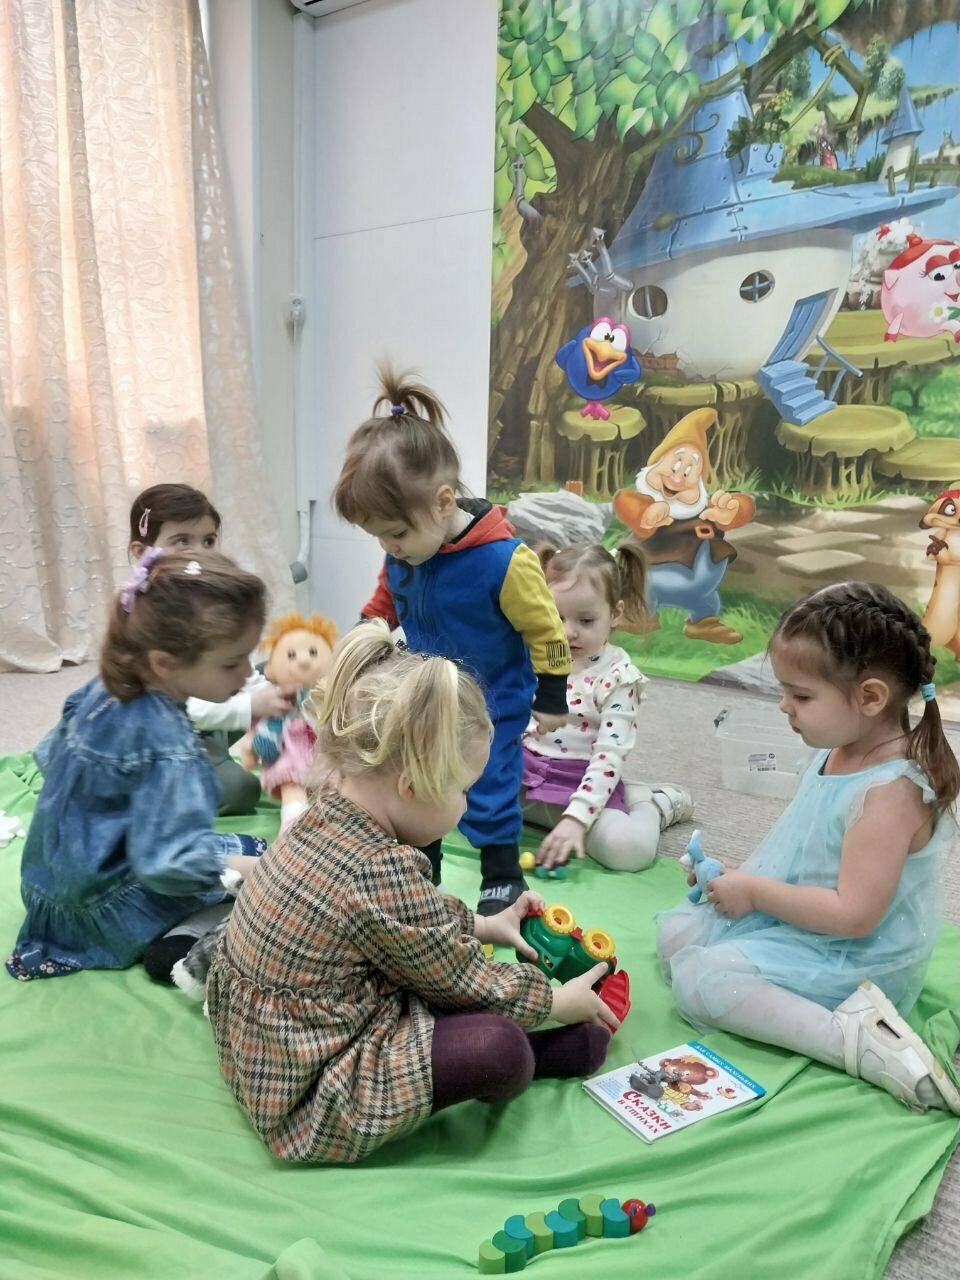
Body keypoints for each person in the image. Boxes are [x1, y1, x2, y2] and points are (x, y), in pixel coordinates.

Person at [206, 621, 616, 1164]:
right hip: (311, 1088)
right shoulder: (379, 868)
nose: (465, 806)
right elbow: (465, 979)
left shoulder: (324, 815)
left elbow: (404, 922)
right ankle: (539, 1054)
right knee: (500, 1050)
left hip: (258, 1044)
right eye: (463, 790)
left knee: (430, 984)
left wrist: (484, 925)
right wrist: (557, 1002)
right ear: (413, 785)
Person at [657, 582, 960, 1115]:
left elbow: (855, 916)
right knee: (675, 936)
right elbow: (804, 850)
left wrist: (755, 893)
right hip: (806, 919)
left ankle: (852, 1039)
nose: (783, 706)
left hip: (855, 956)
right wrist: (737, 876)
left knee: (700, 980)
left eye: (800, 696)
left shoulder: (888, 792)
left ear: (870, 698)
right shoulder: (835, 750)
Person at [333, 369, 570, 914]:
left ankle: (502, 874)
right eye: (379, 537)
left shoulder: (506, 561)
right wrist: (362, 640)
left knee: (488, 781)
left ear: (444, 503)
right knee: (417, 776)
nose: (390, 547)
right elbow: (387, 601)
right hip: (423, 692)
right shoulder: (403, 554)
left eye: (396, 533)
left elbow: (546, 630)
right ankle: (422, 869)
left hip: (492, 698)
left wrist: (552, 694)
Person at [5, 549, 269, 983]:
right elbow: (166, 865)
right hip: (103, 909)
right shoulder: (171, 745)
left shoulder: (103, 688)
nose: (246, 673)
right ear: (165, 662)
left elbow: (48, 756)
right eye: (231, 662)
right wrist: (249, 873)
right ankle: (183, 943)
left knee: (236, 850)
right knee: (260, 873)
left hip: (47, 887)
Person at [522, 542, 693, 871]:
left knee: (628, 850)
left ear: (615, 614)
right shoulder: (536, 653)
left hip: (582, 786)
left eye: (586, 620)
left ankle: (654, 804)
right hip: (525, 776)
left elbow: (609, 754)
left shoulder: (618, 677)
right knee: (452, 804)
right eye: (556, 617)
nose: (567, 632)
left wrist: (577, 819)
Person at [129, 484, 294, 815]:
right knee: (239, 789)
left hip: (206, 721)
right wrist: (251, 706)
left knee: (280, 673)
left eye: (208, 541)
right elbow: (171, 708)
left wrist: (275, 696)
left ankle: (291, 757)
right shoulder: (145, 615)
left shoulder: (210, 598)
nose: (200, 553)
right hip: (160, 739)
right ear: (141, 552)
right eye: (181, 541)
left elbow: (234, 663)